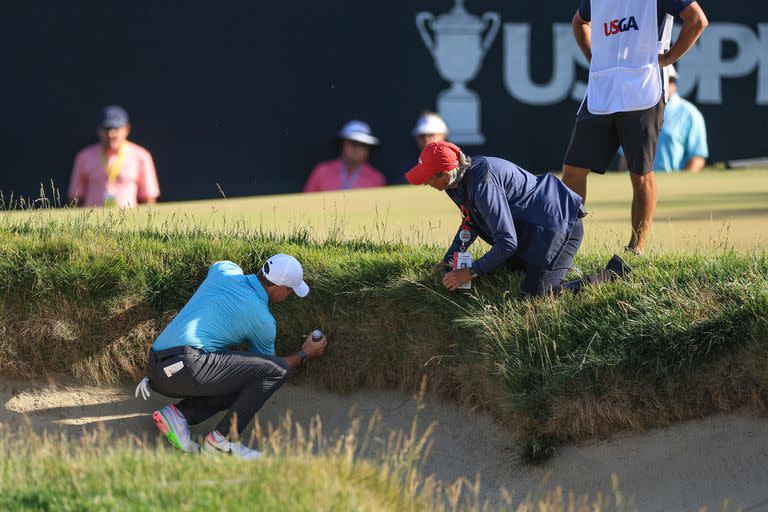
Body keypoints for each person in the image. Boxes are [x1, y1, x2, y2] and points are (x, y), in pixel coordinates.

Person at [134, 254, 328, 460]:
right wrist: (305, 354)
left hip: (155, 369)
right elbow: (269, 368)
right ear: (279, 289)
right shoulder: (263, 320)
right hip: (187, 367)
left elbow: (219, 266)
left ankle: (179, 415)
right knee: (273, 373)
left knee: (239, 377)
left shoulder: (224, 270)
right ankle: (221, 440)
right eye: (290, 290)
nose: (289, 295)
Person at [562, 0, 708, 255]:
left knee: (640, 174)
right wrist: (596, 61)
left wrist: (670, 57)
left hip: (644, 89)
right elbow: (579, 22)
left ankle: (636, 248)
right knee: (573, 170)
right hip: (602, 91)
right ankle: (562, 244)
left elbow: (697, 20)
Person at [406, 141, 630, 297]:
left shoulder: (483, 184)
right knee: (501, 270)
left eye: (427, 178)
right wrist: (449, 259)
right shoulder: (455, 183)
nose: (426, 183)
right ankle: (561, 268)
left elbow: (507, 243)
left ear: (444, 174)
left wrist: (469, 271)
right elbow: (470, 222)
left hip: (558, 226)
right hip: (532, 229)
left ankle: (613, 275)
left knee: (537, 298)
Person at [68, 105, 160, 208]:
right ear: (99, 130)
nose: (111, 134)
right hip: (92, 221)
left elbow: (149, 198)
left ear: (126, 129)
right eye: (107, 129)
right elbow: (75, 198)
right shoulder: (84, 157)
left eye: (116, 128)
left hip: (129, 220)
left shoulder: (141, 156)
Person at [303, 120, 387, 192]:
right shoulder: (321, 172)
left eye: (363, 145)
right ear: (342, 144)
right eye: (353, 144)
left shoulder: (377, 179)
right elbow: (307, 202)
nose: (357, 150)